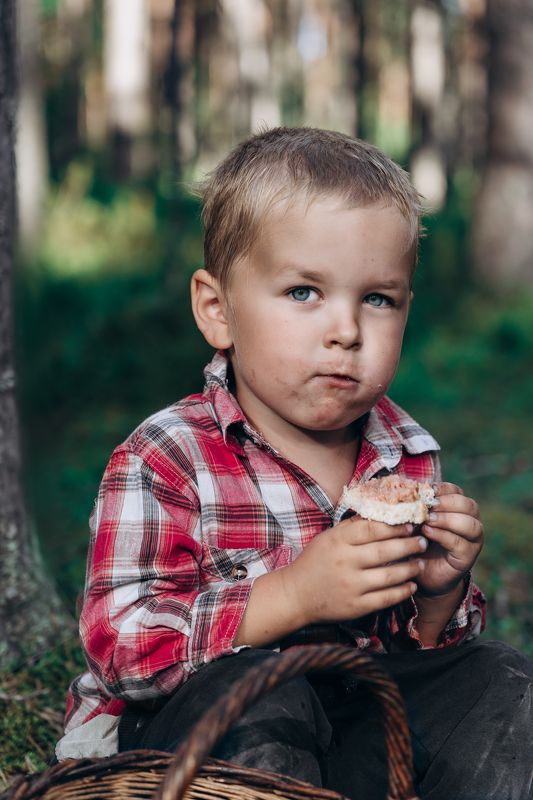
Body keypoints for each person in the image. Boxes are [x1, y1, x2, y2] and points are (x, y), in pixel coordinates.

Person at [57, 127, 532, 799]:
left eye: (377, 299)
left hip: (353, 722)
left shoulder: (406, 453)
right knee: (264, 693)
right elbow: (120, 648)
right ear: (218, 311)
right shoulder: (168, 455)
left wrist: (437, 595)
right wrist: (293, 596)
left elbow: (410, 664)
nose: (346, 331)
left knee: (500, 681)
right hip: (197, 736)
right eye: (304, 292)